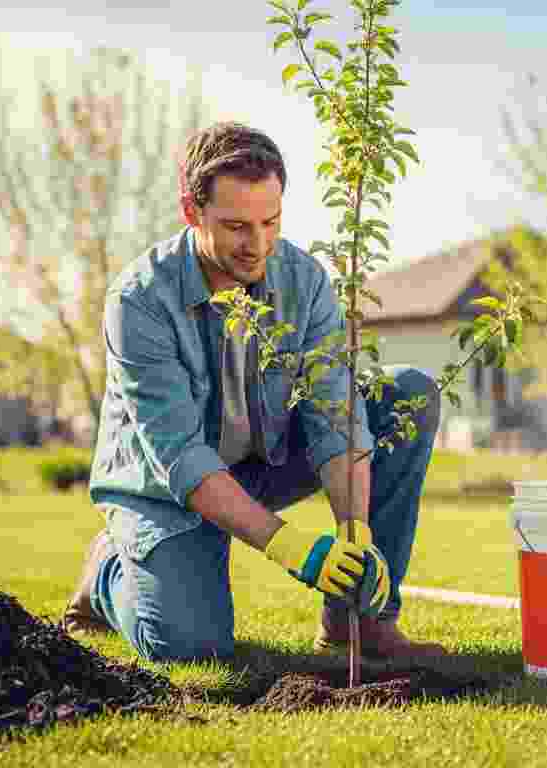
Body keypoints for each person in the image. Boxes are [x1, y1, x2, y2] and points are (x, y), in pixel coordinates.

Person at [61, 121, 448, 663]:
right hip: (167, 491)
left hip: (265, 462)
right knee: (191, 647)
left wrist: (354, 527)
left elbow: (333, 412)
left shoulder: (303, 280)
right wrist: (290, 547)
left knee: (407, 395)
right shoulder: (139, 302)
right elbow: (180, 456)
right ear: (192, 211)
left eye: (271, 221)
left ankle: (360, 622)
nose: (259, 244)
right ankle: (107, 573)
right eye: (237, 227)